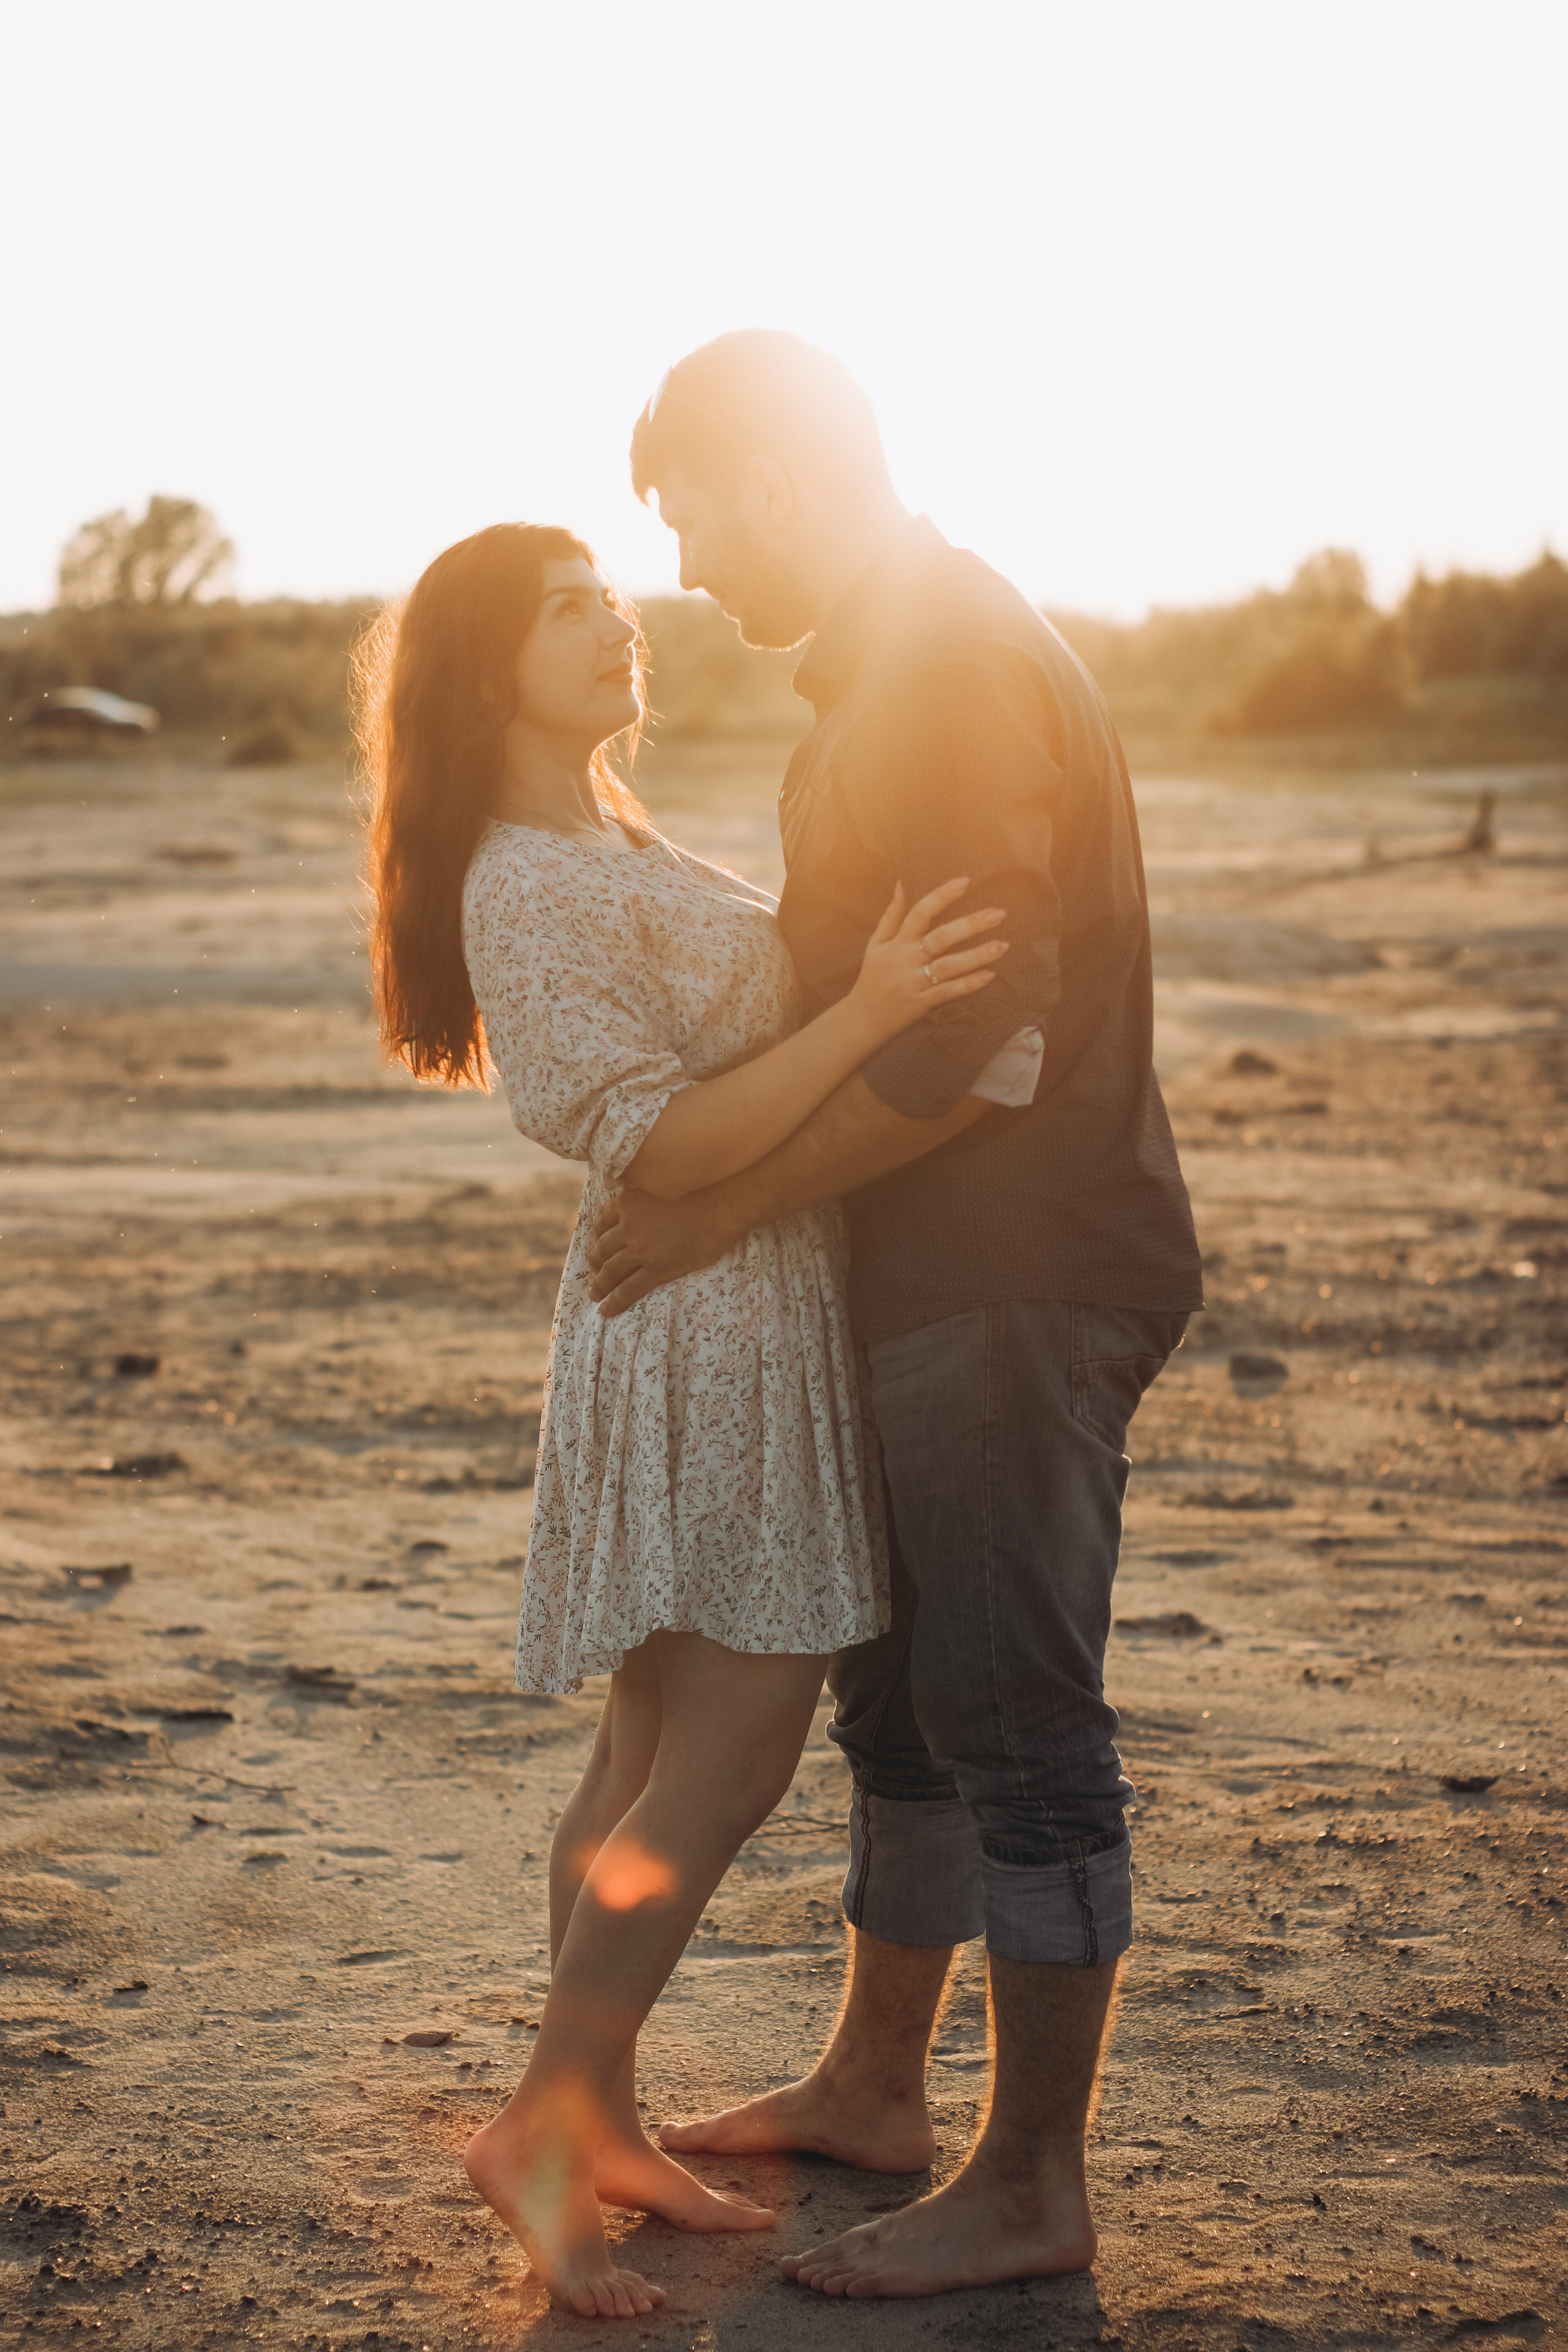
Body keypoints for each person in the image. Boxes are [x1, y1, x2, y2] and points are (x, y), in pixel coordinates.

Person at [587, 331, 1205, 2300]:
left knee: (1019, 1724)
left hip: (1016, 1271)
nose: (683, 568)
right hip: (928, 1278)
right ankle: (876, 2090)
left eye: (687, 514)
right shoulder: (883, 670)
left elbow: (991, 1040)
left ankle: (1036, 2182)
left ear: (773, 477)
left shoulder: (940, 660)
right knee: (908, 1713)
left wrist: (728, 1207)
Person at [354, 520, 1009, 2320]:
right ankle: (545, 2126)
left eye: (610, 598)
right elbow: (663, 1136)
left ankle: (605, 2118)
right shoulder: (529, 879)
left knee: (644, 1754)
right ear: (485, 668)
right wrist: (869, 1008)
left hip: (721, 1313)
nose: (614, 624)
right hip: (703, 1322)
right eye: (567, 610)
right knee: (719, 1756)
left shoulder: (597, 835)